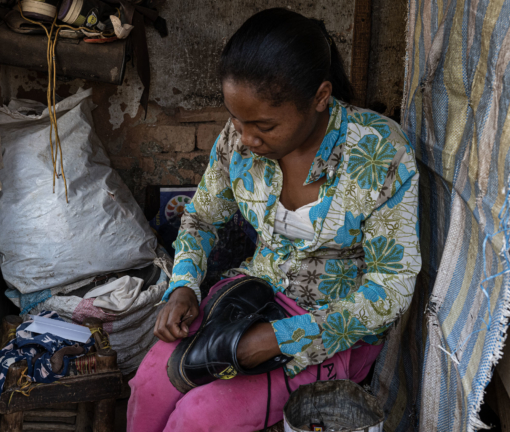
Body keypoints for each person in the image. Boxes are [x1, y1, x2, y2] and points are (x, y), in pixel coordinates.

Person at [127, 8, 420, 431]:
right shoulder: (239, 139)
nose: (246, 138)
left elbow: (390, 288)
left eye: (264, 125)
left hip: (333, 329)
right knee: (149, 387)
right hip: (250, 297)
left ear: (320, 97)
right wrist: (184, 285)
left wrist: (280, 337)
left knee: (198, 417)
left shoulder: (380, 152)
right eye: (237, 119)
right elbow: (201, 218)